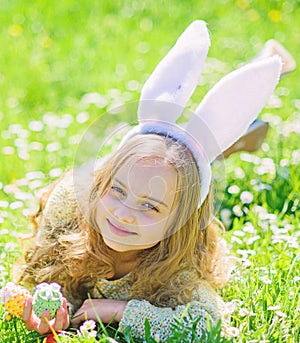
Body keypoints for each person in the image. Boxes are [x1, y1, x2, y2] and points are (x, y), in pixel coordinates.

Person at [18, 20, 285, 340]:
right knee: (180, 156)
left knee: (202, 152)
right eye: (117, 191)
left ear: (179, 222)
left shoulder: (179, 259)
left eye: (151, 207)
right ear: (103, 182)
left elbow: (209, 326)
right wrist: (49, 312)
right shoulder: (70, 204)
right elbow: (44, 281)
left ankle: (257, 92)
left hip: (173, 172)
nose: (124, 212)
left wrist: (120, 309)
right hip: (144, 165)